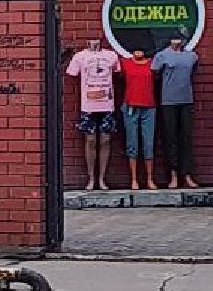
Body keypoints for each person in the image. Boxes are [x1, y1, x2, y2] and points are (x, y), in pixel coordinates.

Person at [66, 38, 120, 191]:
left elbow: (117, 71)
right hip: (88, 104)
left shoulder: (111, 56)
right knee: (90, 140)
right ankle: (91, 178)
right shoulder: (79, 57)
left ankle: (102, 178)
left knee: (105, 140)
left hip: (107, 104)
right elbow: (72, 73)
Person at [153, 33, 199, 188]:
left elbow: (193, 72)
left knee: (186, 137)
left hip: (186, 100)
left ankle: (187, 174)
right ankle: (173, 175)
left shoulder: (192, 56)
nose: (177, 42)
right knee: (170, 138)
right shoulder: (161, 56)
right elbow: (155, 73)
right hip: (168, 101)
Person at [121, 46, 159, 191]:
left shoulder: (152, 63)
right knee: (132, 143)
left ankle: (149, 178)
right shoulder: (125, 63)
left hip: (149, 106)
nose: (138, 52)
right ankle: (134, 179)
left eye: (141, 49)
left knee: (148, 143)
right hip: (131, 105)